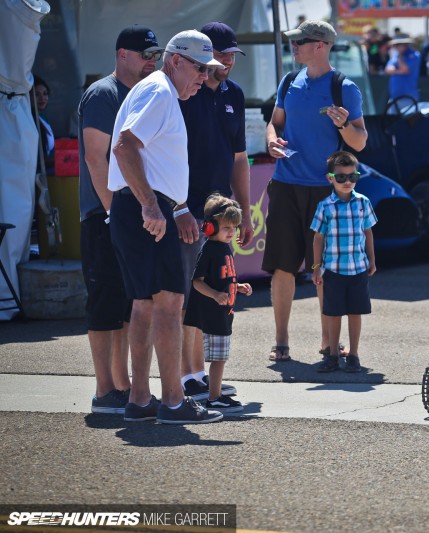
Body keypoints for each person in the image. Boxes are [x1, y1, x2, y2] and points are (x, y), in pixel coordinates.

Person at [107, 29, 225, 424]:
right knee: (169, 304)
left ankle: (142, 400)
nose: (204, 77)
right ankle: (173, 401)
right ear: (175, 60)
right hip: (144, 208)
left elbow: (145, 157)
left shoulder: (158, 90)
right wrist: (151, 206)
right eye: (198, 68)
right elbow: (125, 145)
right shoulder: (159, 92)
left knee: (145, 304)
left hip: (143, 208)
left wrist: (174, 208)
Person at [263, 20, 368, 363]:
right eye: (293, 41)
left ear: (320, 45)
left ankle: (328, 341)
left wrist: (342, 124)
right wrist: (271, 141)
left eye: (300, 41)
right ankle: (281, 341)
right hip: (286, 184)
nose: (293, 47)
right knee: (281, 266)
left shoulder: (345, 88)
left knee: (322, 269)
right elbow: (275, 122)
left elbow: (360, 142)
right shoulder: (289, 81)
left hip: (325, 192)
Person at [79, 25, 163, 415]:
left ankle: (123, 386)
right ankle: (103, 391)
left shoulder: (143, 94)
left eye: (155, 56)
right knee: (104, 304)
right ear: (122, 55)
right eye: (145, 55)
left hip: (130, 214)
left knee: (130, 303)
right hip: (104, 214)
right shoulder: (103, 93)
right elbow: (97, 158)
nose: (152, 62)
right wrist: (114, 211)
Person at [177, 21, 253, 400]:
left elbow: (240, 158)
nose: (228, 62)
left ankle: (201, 376)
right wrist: (176, 207)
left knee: (216, 292)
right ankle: (188, 375)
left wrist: (245, 213)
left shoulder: (234, 94)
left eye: (231, 55)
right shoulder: (183, 92)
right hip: (186, 207)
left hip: (221, 211)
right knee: (189, 294)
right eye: (221, 54)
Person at [183, 193, 252, 413]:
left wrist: (237, 287)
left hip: (224, 311)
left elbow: (223, 278)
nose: (231, 232)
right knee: (219, 358)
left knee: (220, 357)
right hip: (213, 313)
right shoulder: (210, 250)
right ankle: (214, 397)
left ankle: (215, 394)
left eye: (234, 228)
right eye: (226, 228)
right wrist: (214, 294)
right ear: (210, 228)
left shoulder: (225, 248)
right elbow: (197, 282)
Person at [311, 151, 377, 373]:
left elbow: (367, 232)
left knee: (355, 311)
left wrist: (372, 259)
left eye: (352, 176)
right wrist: (316, 267)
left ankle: (354, 355)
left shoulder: (363, 203)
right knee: (333, 312)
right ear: (330, 178)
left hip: (357, 267)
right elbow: (318, 238)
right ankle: (332, 355)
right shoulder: (325, 206)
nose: (347, 181)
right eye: (341, 177)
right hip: (334, 269)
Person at [384, 35, 421, 102]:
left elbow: (405, 69)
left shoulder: (414, 55)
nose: (397, 47)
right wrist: (399, 71)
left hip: (409, 96)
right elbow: (388, 70)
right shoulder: (395, 55)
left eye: (399, 45)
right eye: (396, 45)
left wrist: (400, 56)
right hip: (394, 96)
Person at [32, 75, 54, 174]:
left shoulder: (43, 117)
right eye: (37, 94)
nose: (42, 98)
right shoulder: (29, 120)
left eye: (45, 94)